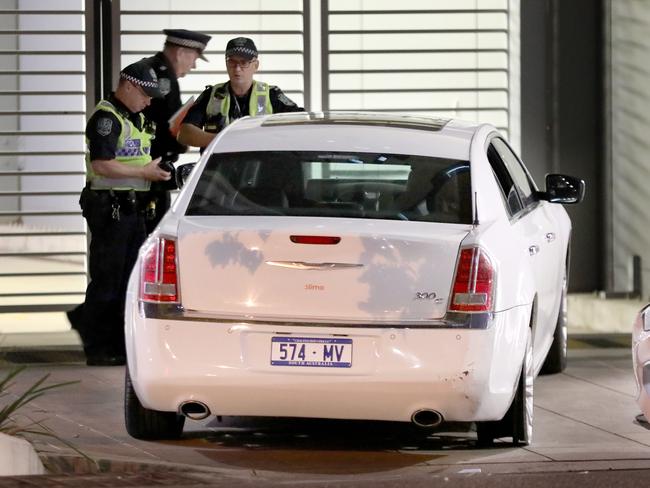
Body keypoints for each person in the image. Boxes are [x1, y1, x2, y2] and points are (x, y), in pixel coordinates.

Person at [73, 59, 171, 366]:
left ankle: (119, 345)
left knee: (130, 280)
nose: (148, 100)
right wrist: (144, 173)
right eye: (145, 94)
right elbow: (102, 164)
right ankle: (99, 348)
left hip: (132, 210)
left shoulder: (136, 118)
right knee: (108, 279)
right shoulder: (107, 118)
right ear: (128, 85)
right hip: (111, 209)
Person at [177, 37, 304, 149]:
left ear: (256, 65)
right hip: (218, 170)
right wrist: (223, 140)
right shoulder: (211, 95)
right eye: (232, 62)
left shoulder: (272, 95)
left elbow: (301, 123)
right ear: (226, 64)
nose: (237, 68)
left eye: (244, 62)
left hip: (260, 170)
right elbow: (184, 133)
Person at [142, 28, 211, 234]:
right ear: (180, 53)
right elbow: (169, 129)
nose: (195, 65)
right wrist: (183, 141)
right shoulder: (165, 80)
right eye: (194, 58)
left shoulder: (149, 68)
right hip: (151, 172)